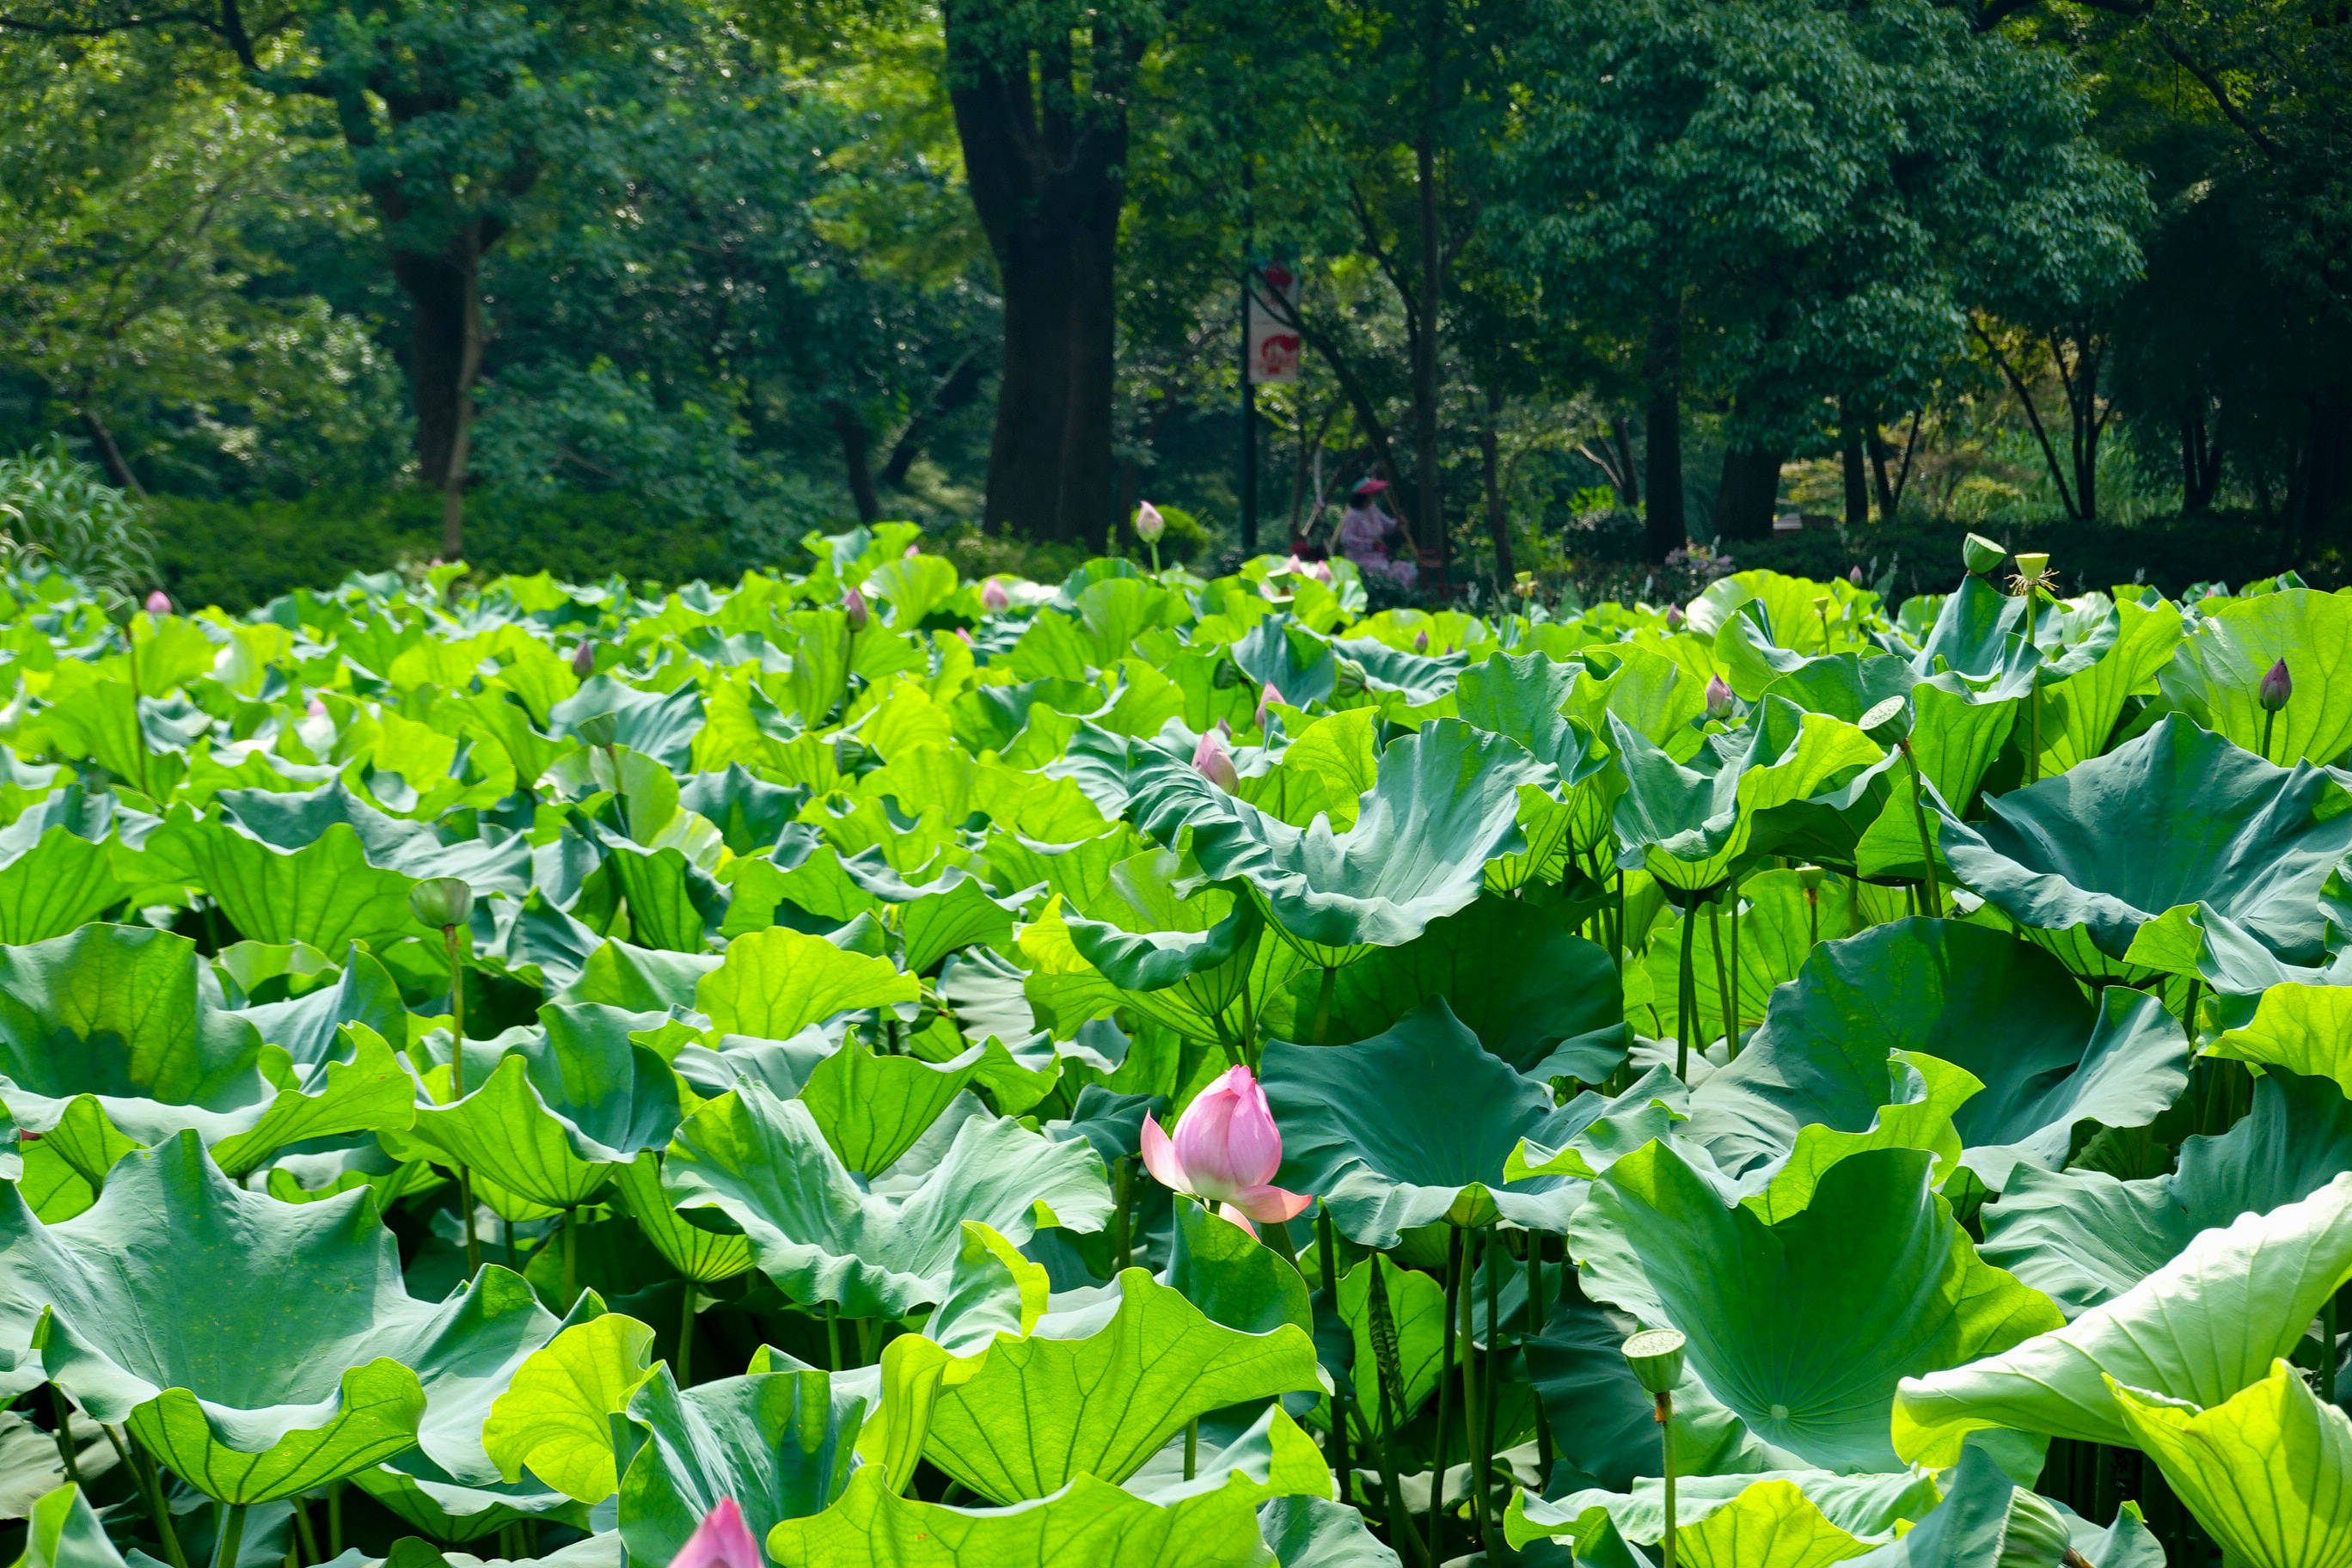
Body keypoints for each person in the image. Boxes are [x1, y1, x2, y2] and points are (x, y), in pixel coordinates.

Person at [1332, 478, 1418, 586]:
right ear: (1363, 498)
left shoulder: (1373, 509)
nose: (1373, 498)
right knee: (1382, 576)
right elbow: (1346, 539)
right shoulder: (1352, 515)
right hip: (1360, 560)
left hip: (1379, 558)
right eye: (1371, 496)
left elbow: (1387, 525)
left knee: (1407, 570)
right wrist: (1370, 544)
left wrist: (1397, 524)